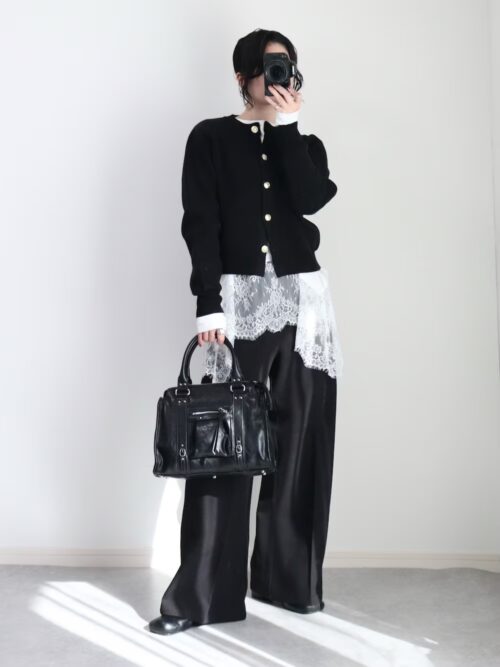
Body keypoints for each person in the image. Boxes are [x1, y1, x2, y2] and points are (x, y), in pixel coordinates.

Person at [148, 28, 343, 636]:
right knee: (223, 447)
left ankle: (289, 584)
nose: (279, 76)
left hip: (304, 306)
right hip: (237, 305)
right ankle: (202, 597)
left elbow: (309, 200)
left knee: (303, 443)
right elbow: (199, 223)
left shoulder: (305, 143)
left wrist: (287, 128)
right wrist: (208, 306)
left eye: (287, 65)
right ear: (242, 77)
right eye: (267, 66)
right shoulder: (209, 137)